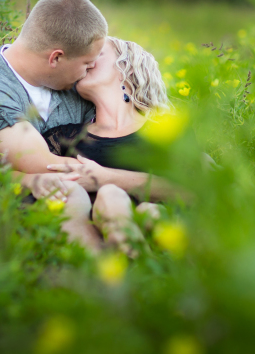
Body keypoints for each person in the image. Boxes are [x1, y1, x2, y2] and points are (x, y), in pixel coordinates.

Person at [0, 0, 175, 251]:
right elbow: (45, 166)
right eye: (87, 62)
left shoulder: (74, 85)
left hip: (109, 206)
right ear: (56, 58)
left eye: (96, 61)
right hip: (14, 213)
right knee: (76, 197)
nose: (90, 68)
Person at [42, 36, 180, 252]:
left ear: (127, 67)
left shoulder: (165, 131)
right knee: (110, 197)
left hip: (165, 229)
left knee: (149, 211)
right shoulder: (63, 137)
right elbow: (16, 171)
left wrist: (104, 179)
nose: (86, 60)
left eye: (97, 53)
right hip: (94, 239)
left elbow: (195, 189)